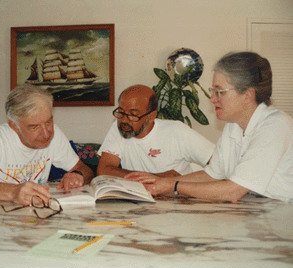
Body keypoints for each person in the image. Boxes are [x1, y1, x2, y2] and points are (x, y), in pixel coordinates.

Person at [125, 52, 293, 203]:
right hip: (257, 209)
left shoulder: (276, 126)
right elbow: (211, 175)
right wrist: (158, 182)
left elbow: (232, 191)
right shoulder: (233, 127)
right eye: (213, 91)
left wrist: (172, 186)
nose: (212, 99)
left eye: (220, 92)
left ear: (248, 95)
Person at [0, 84, 93, 206]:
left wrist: (77, 175)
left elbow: (84, 170)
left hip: (35, 219)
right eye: (34, 127)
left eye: (48, 122)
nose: (47, 134)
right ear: (14, 127)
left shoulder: (55, 136)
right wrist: (13, 192)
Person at [97, 84, 215, 178]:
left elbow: (221, 163)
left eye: (133, 115)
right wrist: (155, 178)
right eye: (121, 112)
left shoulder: (177, 131)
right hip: (140, 201)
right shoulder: (119, 128)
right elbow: (104, 170)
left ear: (152, 116)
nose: (124, 120)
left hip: (177, 200)